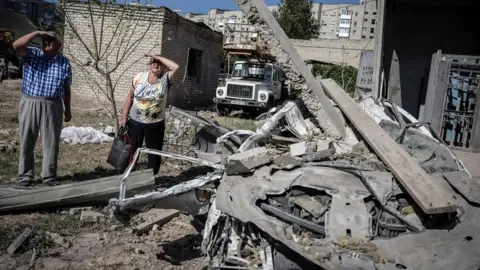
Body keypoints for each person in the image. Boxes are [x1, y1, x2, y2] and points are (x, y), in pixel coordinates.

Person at [12, 31, 72, 186]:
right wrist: (37, 33)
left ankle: (49, 176)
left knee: (51, 142)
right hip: (30, 102)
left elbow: (66, 88)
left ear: (59, 44)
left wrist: (68, 109)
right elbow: (16, 45)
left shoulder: (64, 62)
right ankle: (25, 176)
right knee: (27, 139)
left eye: (50, 40)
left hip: (53, 104)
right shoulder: (32, 54)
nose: (46, 43)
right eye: (44, 40)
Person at [121, 54, 179, 175]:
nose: (156, 64)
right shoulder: (139, 77)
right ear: (149, 64)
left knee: (154, 154)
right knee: (131, 151)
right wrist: (124, 116)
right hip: (135, 122)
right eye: (154, 62)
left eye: (159, 63)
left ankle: (151, 178)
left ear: (163, 66)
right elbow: (130, 97)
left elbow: (175, 67)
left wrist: (156, 56)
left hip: (155, 125)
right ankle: (127, 175)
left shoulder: (165, 78)